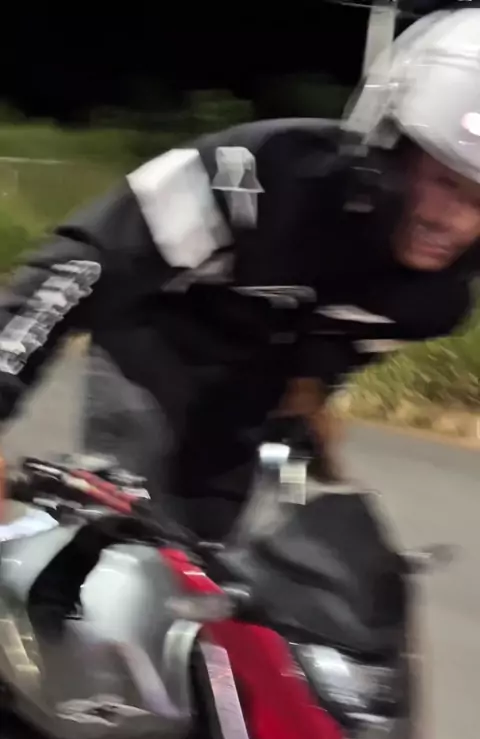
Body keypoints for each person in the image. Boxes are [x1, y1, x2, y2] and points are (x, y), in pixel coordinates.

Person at [0, 5, 479, 541]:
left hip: (249, 391)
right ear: (392, 147)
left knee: (212, 563)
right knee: (128, 544)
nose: (454, 223)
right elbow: (77, 266)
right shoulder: (258, 173)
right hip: (156, 342)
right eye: (444, 182)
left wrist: (310, 391)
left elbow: (335, 346)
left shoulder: (436, 301)